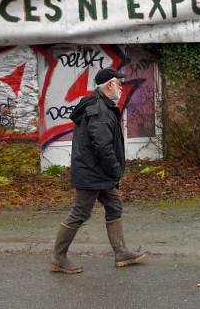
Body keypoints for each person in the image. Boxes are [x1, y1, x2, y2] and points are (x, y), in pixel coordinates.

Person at [50, 66, 148, 274]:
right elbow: (102, 145)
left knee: (114, 204)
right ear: (110, 85)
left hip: (98, 172)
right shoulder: (100, 109)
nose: (122, 88)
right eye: (119, 84)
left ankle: (121, 252)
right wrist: (115, 170)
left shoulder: (101, 105)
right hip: (92, 173)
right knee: (80, 212)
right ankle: (59, 258)